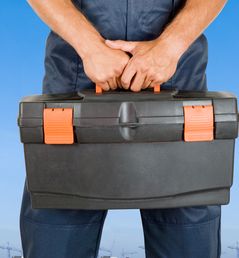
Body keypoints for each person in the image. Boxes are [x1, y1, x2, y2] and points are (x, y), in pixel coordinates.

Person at [20, 0, 227, 257]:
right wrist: (90, 48)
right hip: (75, 80)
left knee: (188, 239)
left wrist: (170, 47)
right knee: (55, 235)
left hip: (176, 78)